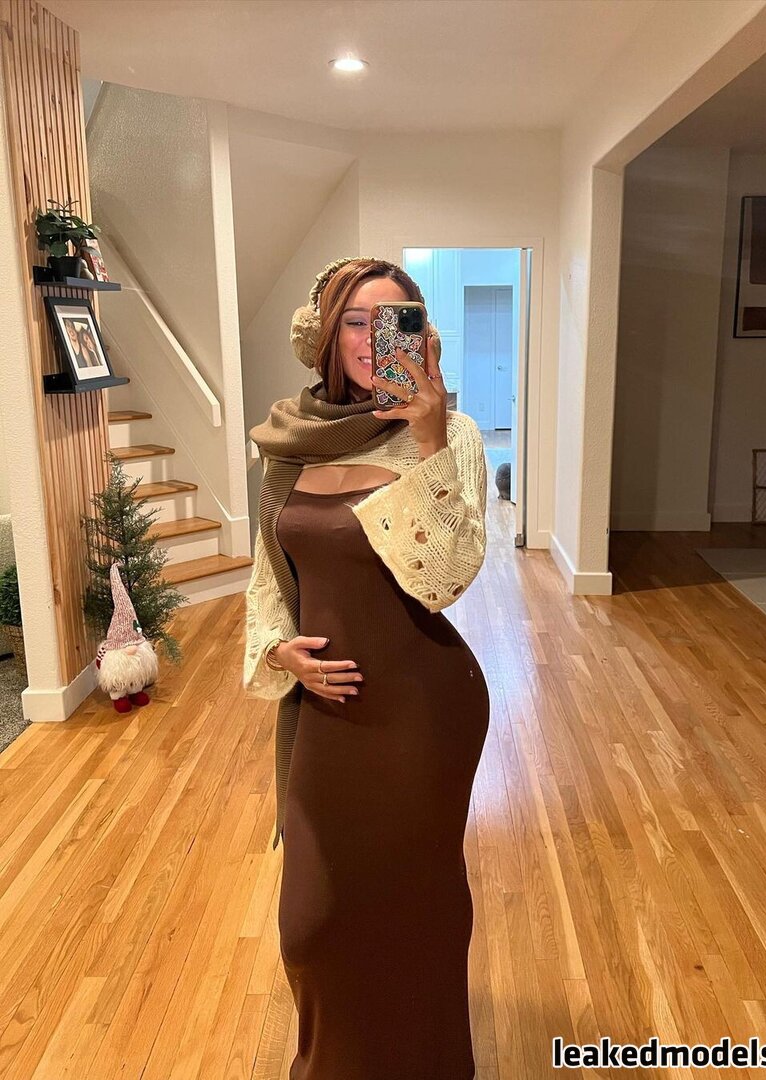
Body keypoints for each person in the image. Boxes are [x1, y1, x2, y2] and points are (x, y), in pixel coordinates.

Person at [244, 257, 490, 1079]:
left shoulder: (449, 435)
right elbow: (270, 571)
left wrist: (428, 438)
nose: (369, 340)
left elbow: (445, 577)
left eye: (392, 322)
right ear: (322, 334)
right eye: (354, 320)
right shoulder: (287, 441)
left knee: (415, 901)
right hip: (327, 713)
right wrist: (277, 649)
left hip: (423, 710)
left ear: (420, 335)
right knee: (312, 922)